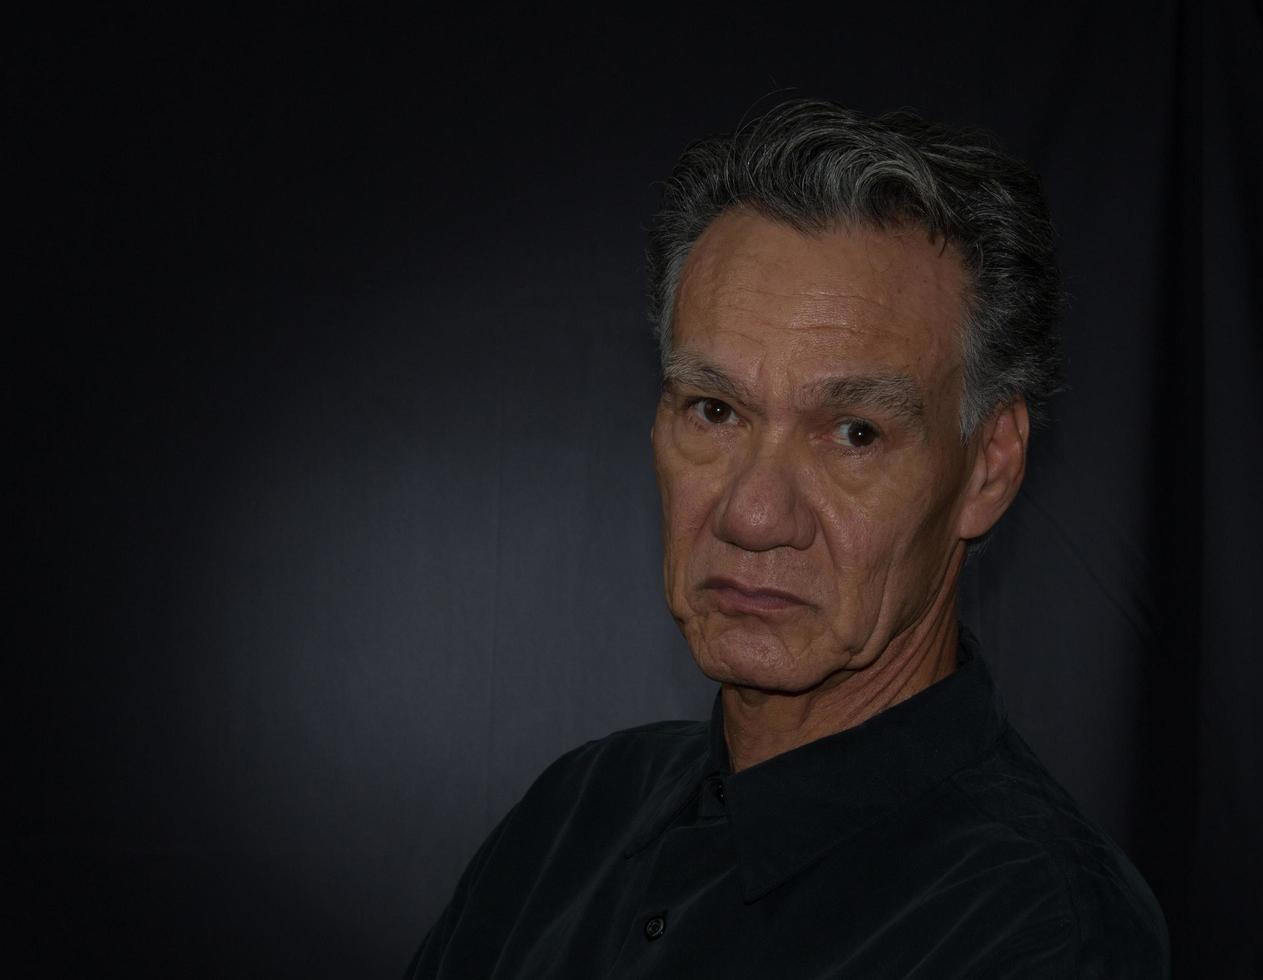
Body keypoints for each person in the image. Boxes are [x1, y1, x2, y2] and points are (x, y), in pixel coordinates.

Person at [406, 98, 1168, 978]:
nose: (752, 516)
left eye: (854, 432)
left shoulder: (1039, 931)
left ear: (988, 469)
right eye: (716, 409)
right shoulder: (575, 810)